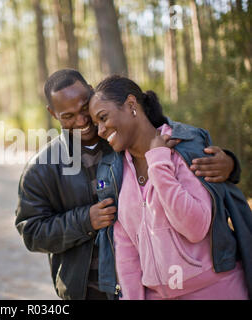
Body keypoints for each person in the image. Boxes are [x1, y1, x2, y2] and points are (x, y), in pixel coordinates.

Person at [15, 69, 241, 300]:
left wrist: (231, 165)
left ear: (92, 94)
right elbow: (31, 231)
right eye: (68, 116)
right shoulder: (41, 168)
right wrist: (84, 221)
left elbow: (181, 143)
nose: (82, 121)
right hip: (87, 289)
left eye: (84, 109)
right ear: (53, 113)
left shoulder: (123, 137)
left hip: (155, 284)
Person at [88, 75, 250, 299]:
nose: (100, 130)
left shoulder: (183, 145)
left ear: (131, 105)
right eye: (96, 124)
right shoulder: (115, 171)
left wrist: (158, 162)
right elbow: (127, 252)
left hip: (215, 290)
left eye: (103, 118)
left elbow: (195, 227)